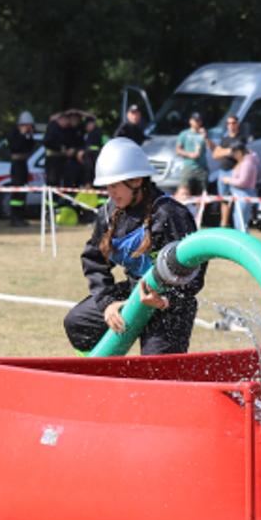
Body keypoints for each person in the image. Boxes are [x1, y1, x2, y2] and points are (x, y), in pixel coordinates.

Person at [63, 138, 205, 355]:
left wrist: (165, 301)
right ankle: (103, 372)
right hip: (132, 293)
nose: (110, 192)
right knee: (78, 323)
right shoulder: (108, 214)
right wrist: (108, 303)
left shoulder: (169, 214)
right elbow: (94, 261)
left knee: (156, 369)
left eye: (115, 185)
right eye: (107, 186)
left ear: (137, 181)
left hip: (170, 305)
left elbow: (194, 271)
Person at [209, 114, 248, 227]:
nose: (231, 125)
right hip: (223, 172)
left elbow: (241, 157)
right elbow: (215, 155)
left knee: (236, 200)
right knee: (223, 199)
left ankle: (237, 225)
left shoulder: (241, 139)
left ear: (237, 124)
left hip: (234, 173)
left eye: (233, 123)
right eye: (229, 123)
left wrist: (223, 152)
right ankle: (224, 223)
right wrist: (229, 151)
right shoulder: (225, 139)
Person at [3, 111, 38, 227]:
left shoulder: (28, 135)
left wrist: (28, 136)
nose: (28, 128)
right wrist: (22, 135)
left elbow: (30, 148)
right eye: (26, 125)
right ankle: (14, 217)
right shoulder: (13, 134)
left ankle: (21, 216)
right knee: (17, 192)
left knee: (23, 191)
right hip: (16, 165)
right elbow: (15, 147)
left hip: (23, 164)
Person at [222, 141, 258, 232]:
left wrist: (228, 180)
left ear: (239, 152)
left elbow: (243, 182)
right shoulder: (244, 162)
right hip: (240, 195)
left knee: (241, 222)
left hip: (244, 194)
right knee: (238, 221)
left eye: (234, 153)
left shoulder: (247, 163)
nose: (233, 156)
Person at [173, 112, 210, 200]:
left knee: (201, 195)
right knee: (183, 192)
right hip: (188, 167)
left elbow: (211, 148)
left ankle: (198, 209)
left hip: (202, 168)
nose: (197, 122)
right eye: (195, 120)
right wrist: (189, 154)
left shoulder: (204, 133)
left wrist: (206, 137)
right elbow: (178, 150)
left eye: (199, 120)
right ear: (190, 121)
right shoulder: (184, 134)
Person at [79, 115, 107, 187]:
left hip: (95, 156)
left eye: (89, 124)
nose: (87, 126)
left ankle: (90, 185)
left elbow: (104, 144)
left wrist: (84, 150)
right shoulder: (86, 134)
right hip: (89, 157)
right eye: (86, 125)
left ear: (93, 124)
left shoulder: (98, 132)